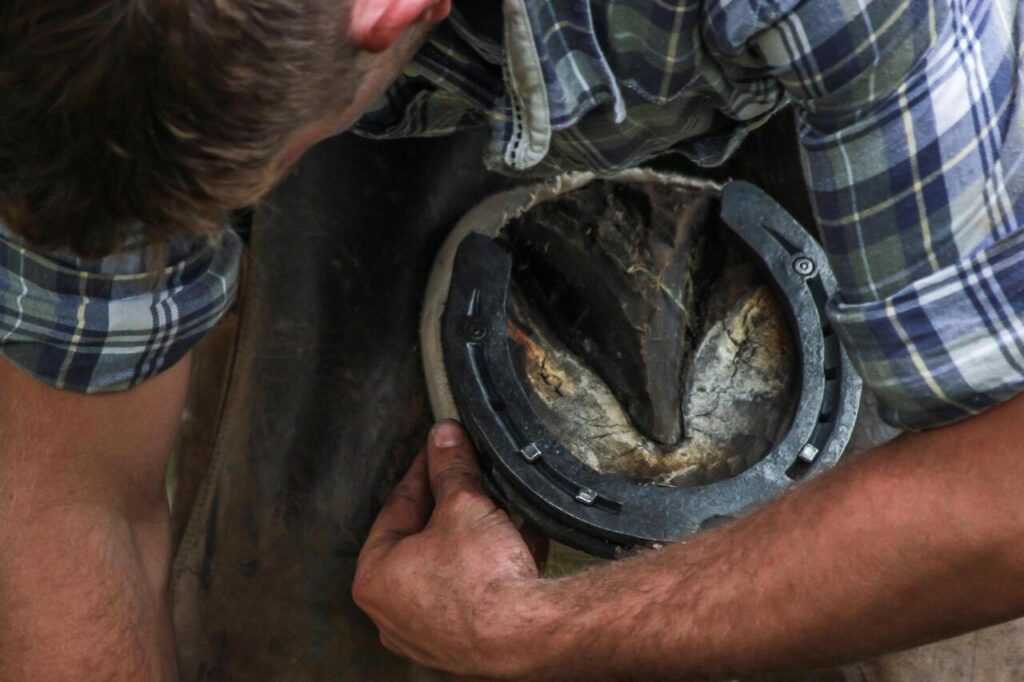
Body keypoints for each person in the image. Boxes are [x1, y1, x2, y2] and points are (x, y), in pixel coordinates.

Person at [0, 0, 1022, 679]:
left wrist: (538, 635)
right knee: (284, 620)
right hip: (421, 82)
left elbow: (1000, 493)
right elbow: (65, 488)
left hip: (833, 71)